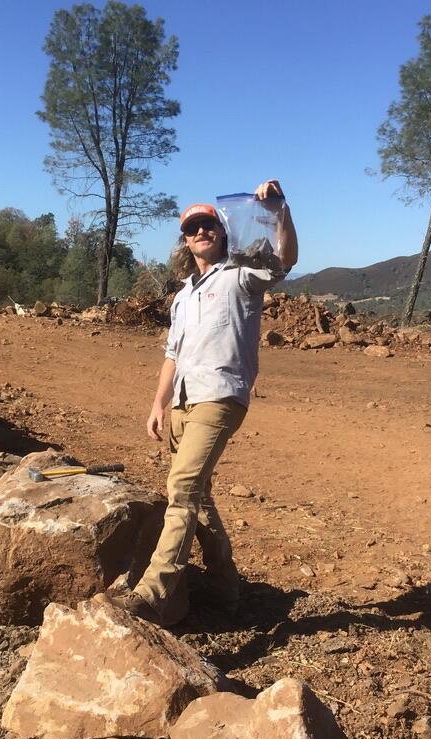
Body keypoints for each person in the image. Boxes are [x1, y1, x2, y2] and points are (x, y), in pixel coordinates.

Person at [110, 179, 298, 626]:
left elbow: (286, 260)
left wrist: (279, 211)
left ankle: (151, 596)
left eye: (208, 225)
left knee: (181, 491)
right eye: (193, 228)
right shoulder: (182, 295)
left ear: (221, 230)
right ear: (185, 239)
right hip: (181, 402)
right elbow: (172, 354)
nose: (201, 232)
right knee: (201, 499)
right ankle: (226, 590)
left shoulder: (241, 276)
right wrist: (158, 405)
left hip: (221, 396)